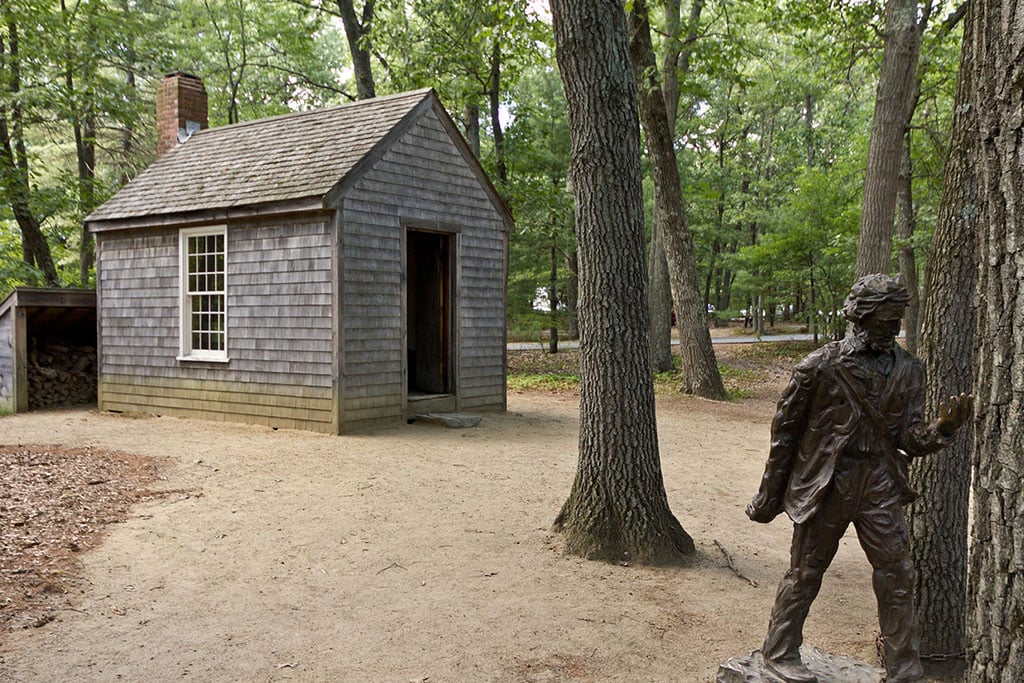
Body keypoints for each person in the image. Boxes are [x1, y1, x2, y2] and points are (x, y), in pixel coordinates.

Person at [746, 273, 972, 683]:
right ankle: (779, 652)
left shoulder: (910, 370)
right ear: (861, 316)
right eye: (887, 319)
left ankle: (905, 668)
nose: (893, 327)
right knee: (806, 571)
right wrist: (769, 494)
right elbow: (785, 433)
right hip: (830, 481)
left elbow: (909, 435)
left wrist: (942, 431)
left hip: (880, 483)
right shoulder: (821, 366)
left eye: (897, 319)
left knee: (897, 571)